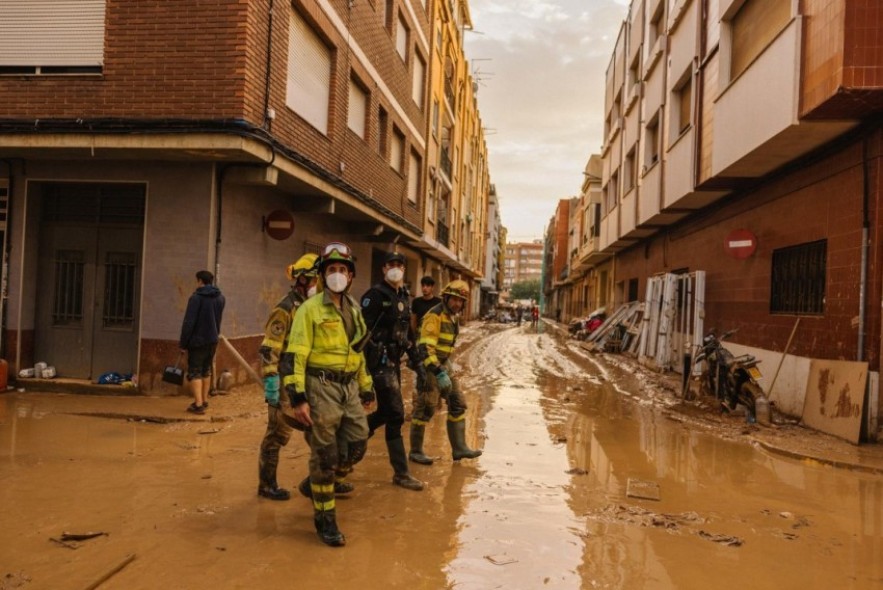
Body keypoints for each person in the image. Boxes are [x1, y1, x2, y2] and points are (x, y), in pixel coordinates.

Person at [282, 242, 374, 547]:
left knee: (358, 443)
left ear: (350, 276)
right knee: (325, 456)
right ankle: (325, 519)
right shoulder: (309, 310)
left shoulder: (355, 310)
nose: (337, 275)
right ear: (323, 275)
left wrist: (366, 386)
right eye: (331, 270)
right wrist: (297, 397)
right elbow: (295, 354)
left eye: (342, 270)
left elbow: (359, 353)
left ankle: (316, 483)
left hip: (348, 388)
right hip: (320, 387)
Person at [255, 253, 318, 501]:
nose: (317, 285)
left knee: (318, 428)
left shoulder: (313, 307)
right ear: (302, 280)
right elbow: (270, 346)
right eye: (314, 280)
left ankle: (323, 478)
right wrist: (271, 380)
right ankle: (267, 484)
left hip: (307, 377)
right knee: (278, 432)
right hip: (284, 377)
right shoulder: (285, 309)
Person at [360, 252, 424, 491]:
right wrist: (363, 372)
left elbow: (407, 332)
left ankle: (354, 436)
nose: (396, 269)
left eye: (400, 265)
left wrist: (417, 360)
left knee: (388, 413)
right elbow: (361, 333)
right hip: (378, 363)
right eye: (391, 265)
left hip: (394, 362)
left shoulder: (403, 295)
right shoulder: (374, 296)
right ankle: (402, 473)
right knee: (396, 414)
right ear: (383, 268)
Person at [409, 279, 482, 465]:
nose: (457, 304)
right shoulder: (434, 316)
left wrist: (446, 366)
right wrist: (438, 372)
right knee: (425, 408)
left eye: (460, 301)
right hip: (429, 366)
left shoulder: (452, 317)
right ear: (446, 298)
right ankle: (415, 451)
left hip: (443, 364)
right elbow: (425, 348)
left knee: (457, 403)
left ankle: (459, 449)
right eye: (454, 300)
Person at [179, 270, 225, 415]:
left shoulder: (196, 298)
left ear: (199, 281)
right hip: (213, 340)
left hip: (197, 340)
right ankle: (204, 400)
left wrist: (183, 343)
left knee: (195, 371)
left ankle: (198, 404)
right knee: (206, 369)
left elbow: (189, 322)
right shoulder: (220, 298)